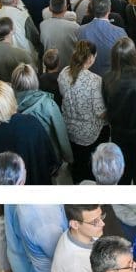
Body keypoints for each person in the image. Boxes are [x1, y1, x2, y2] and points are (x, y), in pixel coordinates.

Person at [101, 39, 136, 185]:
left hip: (119, 133)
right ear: (134, 55)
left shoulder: (107, 78)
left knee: (123, 172)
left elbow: (106, 104)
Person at [58, 40, 107, 183]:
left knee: (78, 163)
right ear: (91, 58)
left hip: (69, 129)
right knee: (90, 165)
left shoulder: (63, 73)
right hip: (90, 133)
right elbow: (100, 112)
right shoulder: (95, 81)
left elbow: (63, 95)